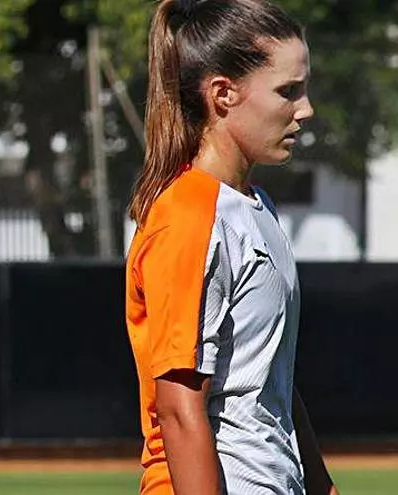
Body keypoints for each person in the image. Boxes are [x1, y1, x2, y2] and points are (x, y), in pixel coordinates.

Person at [125, 1, 339, 494]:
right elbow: (179, 410)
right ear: (223, 94)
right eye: (288, 92)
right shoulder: (188, 216)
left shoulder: (255, 205)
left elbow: (271, 381)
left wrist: (320, 484)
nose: (305, 109)